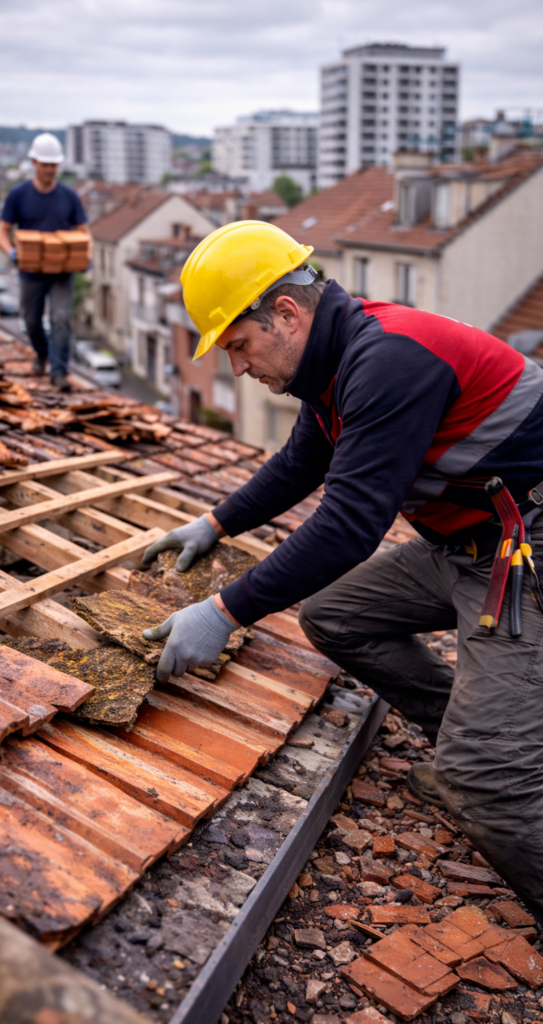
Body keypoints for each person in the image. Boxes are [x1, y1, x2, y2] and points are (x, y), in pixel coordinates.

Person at [141, 220, 543, 925]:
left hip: (525, 552)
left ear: (287, 314)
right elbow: (301, 464)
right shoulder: (334, 366)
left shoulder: (388, 362)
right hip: (465, 546)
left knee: (484, 783)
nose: (237, 368)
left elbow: (349, 525)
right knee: (333, 617)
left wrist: (225, 611)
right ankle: (468, 730)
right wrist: (214, 524)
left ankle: (484, 765)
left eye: (238, 345)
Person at [0, 132, 92, 392]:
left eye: (54, 165)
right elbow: (2, 231)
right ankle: (41, 354)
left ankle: (59, 371)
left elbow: (83, 231)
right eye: (45, 165)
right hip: (31, 269)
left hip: (63, 270)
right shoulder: (18, 194)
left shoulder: (69, 196)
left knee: (61, 318)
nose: (50, 170)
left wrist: (86, 255)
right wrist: (11, 252)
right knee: (31, 319)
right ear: (34, 162)